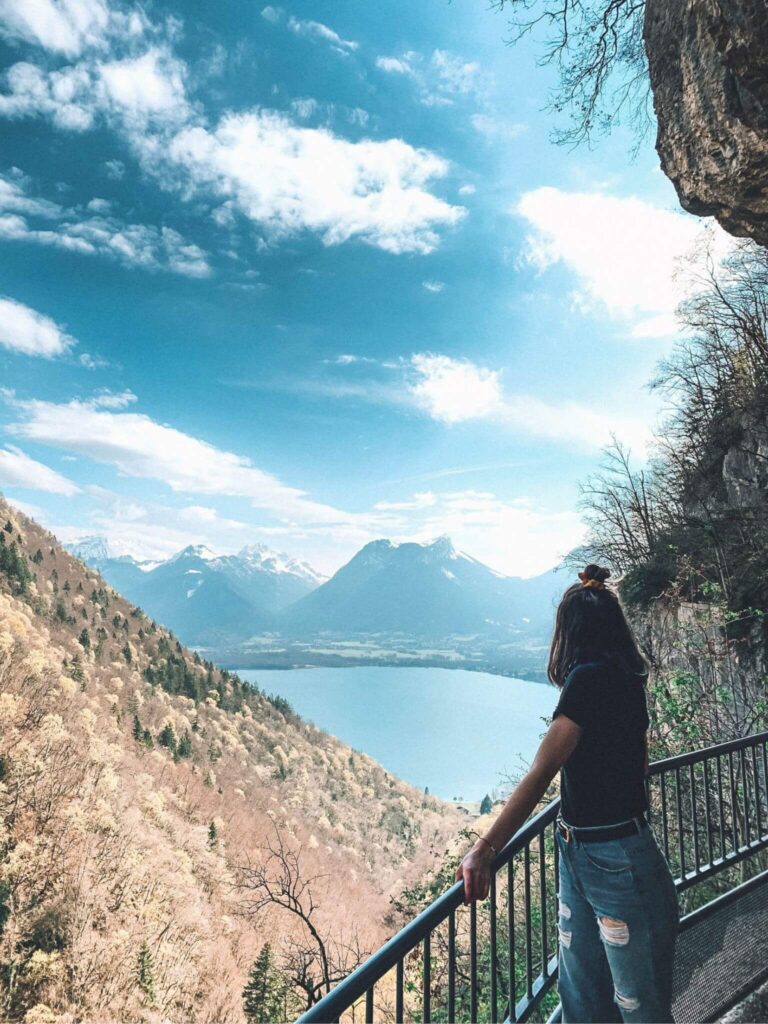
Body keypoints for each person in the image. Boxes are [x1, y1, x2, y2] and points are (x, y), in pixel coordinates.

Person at [455, 564, 680, 1023]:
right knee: (619, 999)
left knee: (604, 1000)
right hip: (610, 851)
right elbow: (636, 766)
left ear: (570, 632)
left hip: (606, 859)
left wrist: (484, 848)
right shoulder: (628, 680)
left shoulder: (588, 680)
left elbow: (541, 771)